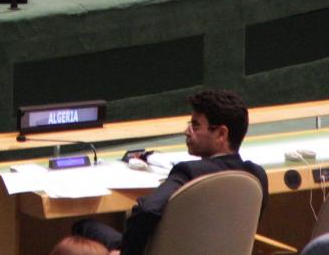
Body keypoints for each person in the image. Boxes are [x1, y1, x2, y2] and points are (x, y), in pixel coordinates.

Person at [73, 89, 267, 255]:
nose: (187, 131)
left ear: (221, 134)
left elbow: (147, 209)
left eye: (196, 125)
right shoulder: (257, 176)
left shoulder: (189, 172)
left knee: (85, 227)